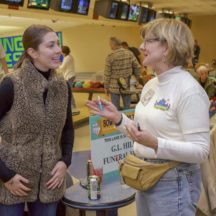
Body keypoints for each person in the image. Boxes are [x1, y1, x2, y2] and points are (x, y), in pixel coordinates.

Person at [86, 18, 210, 216]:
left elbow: (201, 151)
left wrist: (155, 143)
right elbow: (141, 131)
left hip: (173, 178)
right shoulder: (152, 85)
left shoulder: (189, 91)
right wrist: (118, 119)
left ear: (167, 47)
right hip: (145, 174)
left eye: (148, 41)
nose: (141, 46)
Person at [0, 24, 74, 216]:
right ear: (32, 51)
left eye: (58, 44)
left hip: (51, 178)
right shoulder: (11, 84)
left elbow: (68, 129)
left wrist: (65, 161)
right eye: (50, 45)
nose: (58, 50)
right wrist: (6, 176)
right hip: (14, 179)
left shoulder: (62, 85)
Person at [104, 37, 141, 110]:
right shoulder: (129, 53)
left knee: (115, 109)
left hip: (114, 86)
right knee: (127, 108)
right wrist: (136, 78)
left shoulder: (110, 56)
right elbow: (137, 67)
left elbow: (107, 73)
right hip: (127, 84)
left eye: (110, 44)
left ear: (113, 44)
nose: (109, 46)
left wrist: (106, 87)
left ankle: (118, 121)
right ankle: (127, 120)